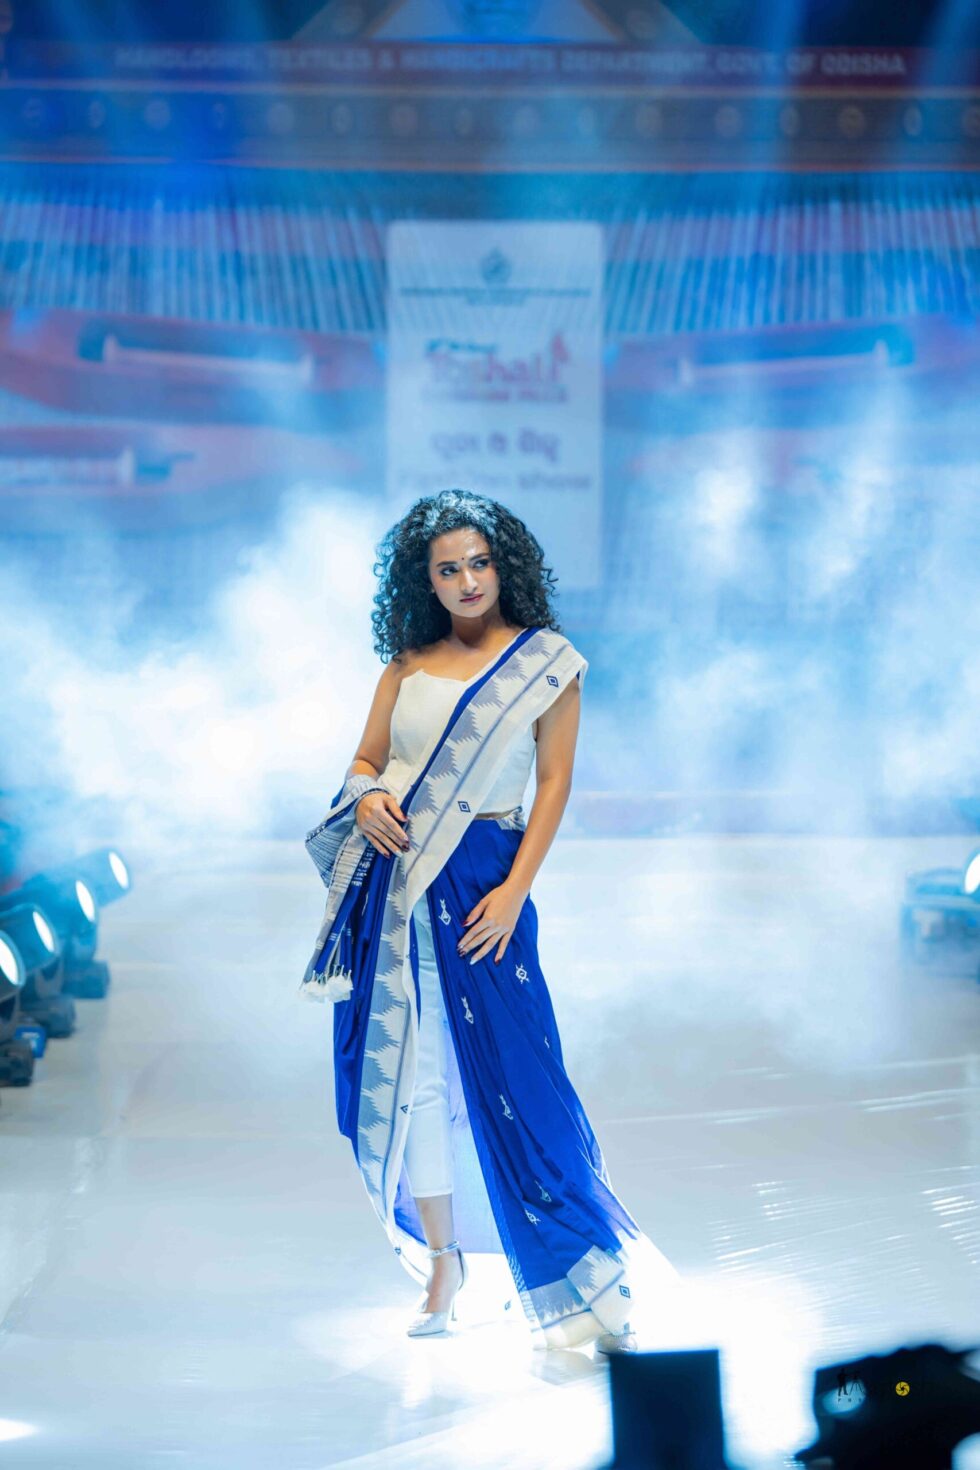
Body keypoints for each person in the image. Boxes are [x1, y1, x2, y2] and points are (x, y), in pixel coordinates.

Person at [300, 488, 679, 1352]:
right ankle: (444, 1267)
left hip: (484, 884)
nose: (468, 581)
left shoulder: (546, 665)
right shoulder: (405, 667)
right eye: (448, 570)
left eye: (479, 563)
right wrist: (367, 800)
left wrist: (514, 891)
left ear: (505, 567)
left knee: (521, 1075)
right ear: (425, 581)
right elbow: (366, 761)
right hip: (394, 889)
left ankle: (581, 1271)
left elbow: (553, 784)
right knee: (415, 1078)